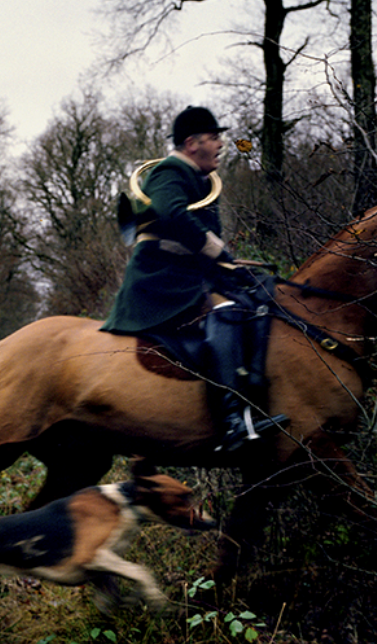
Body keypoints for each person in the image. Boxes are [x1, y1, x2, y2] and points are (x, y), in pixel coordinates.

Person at [100, 105, 282, 453]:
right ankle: (232, 421)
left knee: (259, 295)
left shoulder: (196, 178)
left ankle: (255, 394)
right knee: (226, 311)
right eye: (214, 137)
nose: (220, 144)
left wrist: (230, 268)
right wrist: (215, 249)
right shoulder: (170, 171)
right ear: (191, 143)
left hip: (187, 276)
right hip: (161, 282)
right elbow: (171, 215)